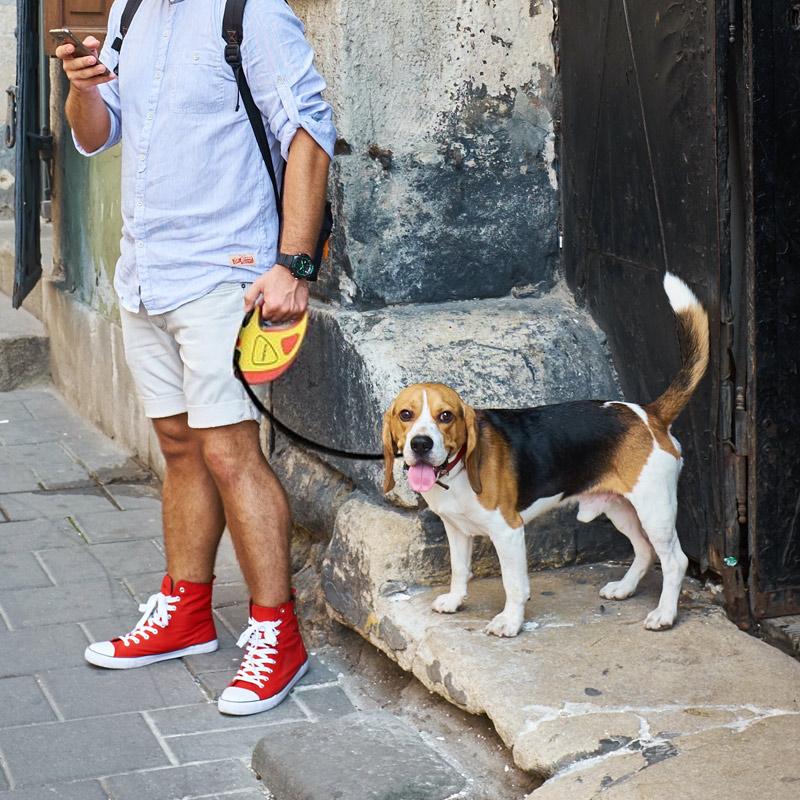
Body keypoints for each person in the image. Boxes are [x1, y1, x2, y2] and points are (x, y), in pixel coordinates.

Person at [55, 0, 335, 716]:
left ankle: (278, 634)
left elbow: (309, 132)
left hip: (225, 274)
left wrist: (294, 265)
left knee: (229, 452)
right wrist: (82, 89)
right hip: (145, 273)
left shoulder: (252, 12)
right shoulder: (132, 10)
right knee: (179, 446)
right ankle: (186, 612)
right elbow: (97, 134)